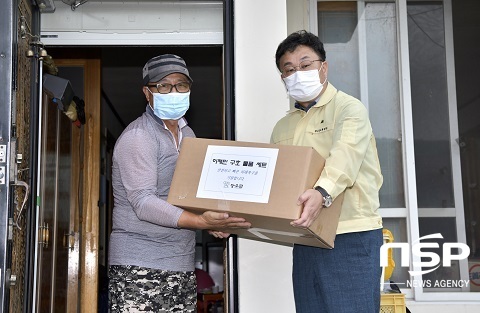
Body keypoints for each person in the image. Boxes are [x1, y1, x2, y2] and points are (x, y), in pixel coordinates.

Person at [108, 54, 250, 312]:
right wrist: (200, 221)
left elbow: (186, 195)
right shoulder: (138, 137)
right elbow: (143, 202)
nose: (173, 91)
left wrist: (212, 221)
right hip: (139, 263)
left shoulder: (188, 135)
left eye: (181, 84)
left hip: (181, 262)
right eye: (163, 85)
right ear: (147, 92)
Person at [271, 30, 384, 313]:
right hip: (306, 237)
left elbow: (344, 158)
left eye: (305, 65)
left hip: (350, 234)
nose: (297, 73)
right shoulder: (282, 127)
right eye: (289, 69)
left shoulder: (349, 109)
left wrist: (322, 192)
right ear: (283, 78)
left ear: (324, 66)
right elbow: (274, 179)